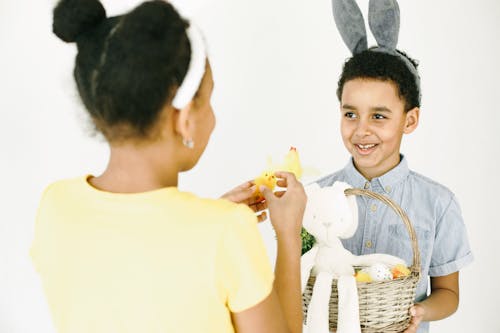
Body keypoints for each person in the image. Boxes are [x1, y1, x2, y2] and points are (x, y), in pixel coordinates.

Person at [30, 1, 305, 332]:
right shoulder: (227, 231)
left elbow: (130, 269)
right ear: (186, 120)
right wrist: (288, 234)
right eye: (209, 99)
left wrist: (207, 224)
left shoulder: (56, 204)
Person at [315, 48, 474, 332]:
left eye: (378, 117)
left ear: (409, 120)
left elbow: (448, 294)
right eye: (350, 114)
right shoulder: (317, 196)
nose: (361, 130)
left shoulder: (438, 203)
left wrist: (420, 311)